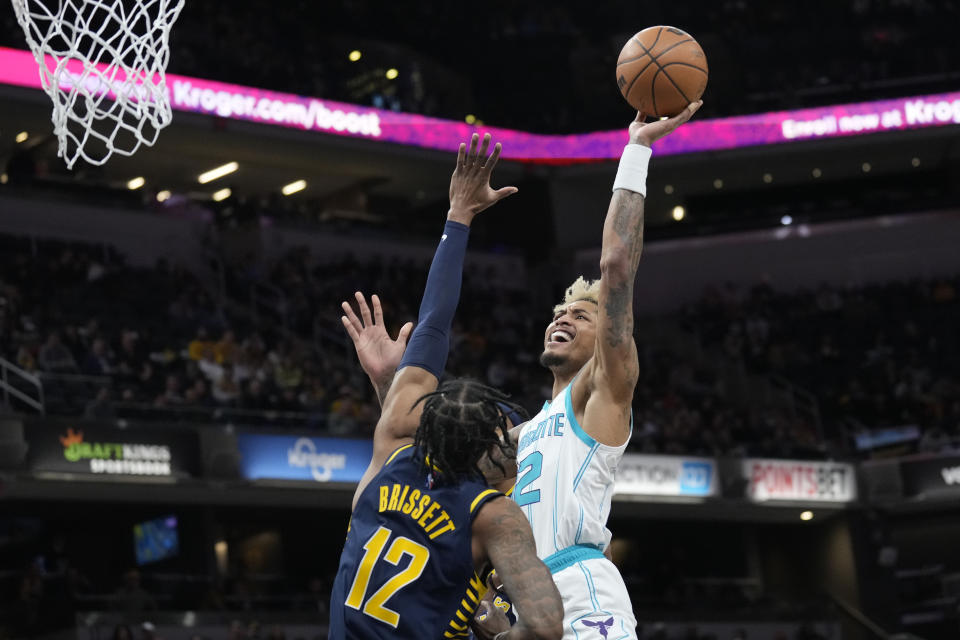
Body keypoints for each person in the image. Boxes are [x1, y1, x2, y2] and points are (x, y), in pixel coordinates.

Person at [328, 134, 562, 640]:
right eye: (506, 433)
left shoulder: (391, 452)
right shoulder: (494, 516)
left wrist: (458, 215)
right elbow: (545, 627)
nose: (513, 440)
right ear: (488, 452)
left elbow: (433, 326)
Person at [505, 102, 702, 638]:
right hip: (526, 603)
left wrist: (636, 149)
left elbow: (616, 268)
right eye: (558, 312)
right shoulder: (524, 431)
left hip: (579, 588)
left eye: (581, 313)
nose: (562, 317)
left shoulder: (600, 393)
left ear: (606, 339)